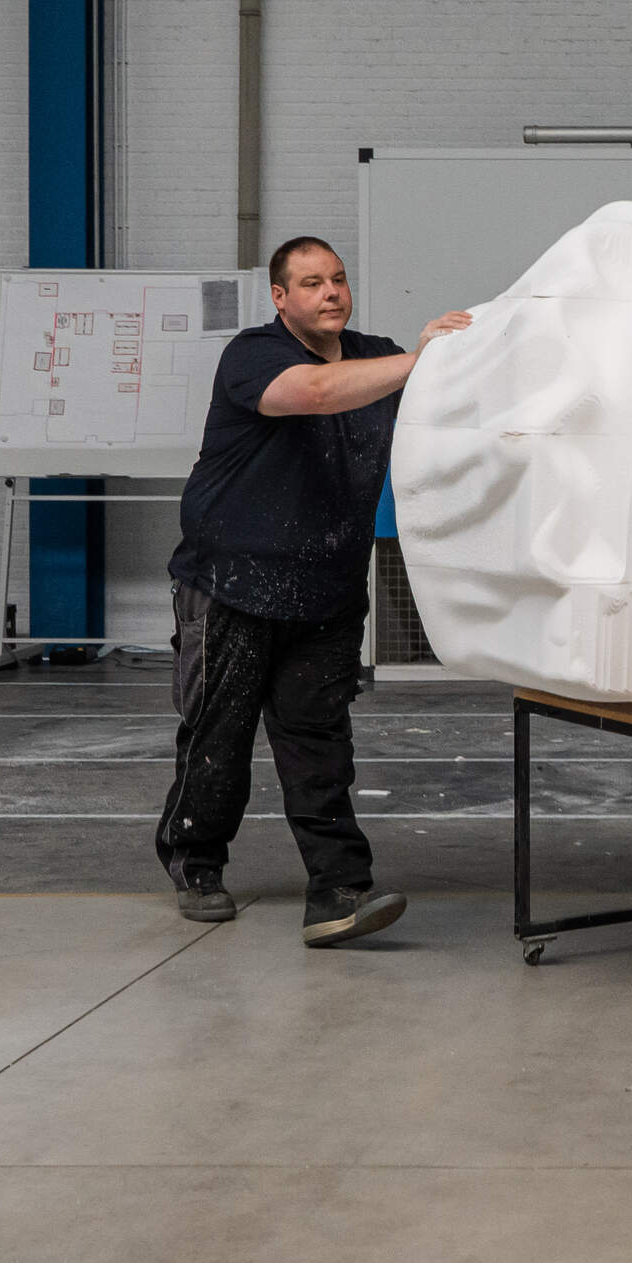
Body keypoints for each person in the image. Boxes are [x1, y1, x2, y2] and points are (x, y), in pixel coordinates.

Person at [159, 235, 470, 945]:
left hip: (326, 590)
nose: (330, 292)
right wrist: (421, 360)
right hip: (232, 584)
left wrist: (464, 354)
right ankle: (196, 862)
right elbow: (315, 393)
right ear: (280, 297)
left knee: (320, 744)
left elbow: (443, 407)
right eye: (311, 283)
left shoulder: (375, 355)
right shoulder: (253, 355)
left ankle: (338, 889)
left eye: (337, 279)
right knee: (218, 737)